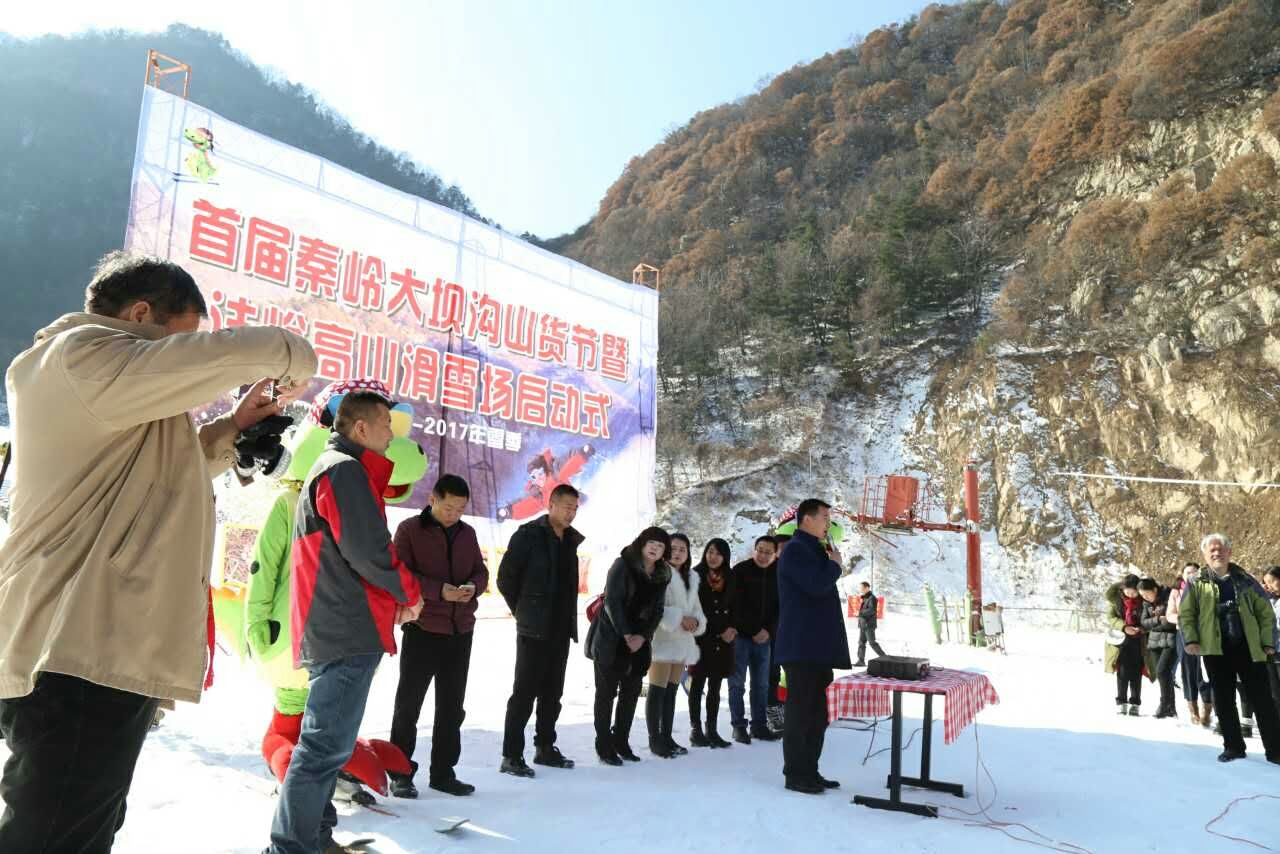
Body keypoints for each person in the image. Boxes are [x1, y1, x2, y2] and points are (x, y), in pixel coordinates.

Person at [0, 251, 317, 852]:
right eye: (179, 342)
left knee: (75, 828)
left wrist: (231, 429)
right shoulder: (79, 358)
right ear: (139, 313)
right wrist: (294, 355)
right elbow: (224, 354)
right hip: (77, 647)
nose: (181, 364)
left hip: (89, 646)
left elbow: (159, 475)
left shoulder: (109, 387)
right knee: (54, 836)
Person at [268, 390, 425, 853]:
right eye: (385, 426)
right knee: (319, 752)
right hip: (343, 628)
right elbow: (368, 552)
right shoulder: (343, 470)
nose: (390, 435)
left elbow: (350, 554)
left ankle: (313, 837)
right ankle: (290, 847)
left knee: (327, 749)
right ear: (360, 428)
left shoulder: (342, 470)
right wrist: (409, 593)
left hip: (342, 624)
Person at [388, 474, 489, 798]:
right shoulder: (409, 530)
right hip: (422, 629)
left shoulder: (467, 533)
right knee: (409, 704)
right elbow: (400, 574)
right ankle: (400, 771)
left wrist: (473, 587)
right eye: (448, 508)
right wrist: (438, 591)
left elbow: (481, 571)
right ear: (432, 500)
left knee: (451, 706)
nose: (453, 515)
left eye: (460, 509)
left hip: (461, 631)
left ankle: (443, 772)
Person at [496, 484, 584, 777]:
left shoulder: (570, 540)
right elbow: (506, 578)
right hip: (533, 628)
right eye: (566, 506)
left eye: (575, 508)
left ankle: (545, 747)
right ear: (551, 504)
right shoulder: (528, 535)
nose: (571, 513)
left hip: (560, 628)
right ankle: (511, 755)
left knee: (552, 692)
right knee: (524, 692)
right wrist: (523, 611)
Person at [1179, 533, 1279, 764]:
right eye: (1211, 550)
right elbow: (1186, 614)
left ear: (1229, 552)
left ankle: (1275, 750)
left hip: (1249, 647)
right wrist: (1191, 640)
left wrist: (1268, 642)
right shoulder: (1196, 582)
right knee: (1223, 699)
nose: (1217, 553)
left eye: (1221, 549)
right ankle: (1233, 746)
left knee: (1262, 699)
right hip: (1215, 648)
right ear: (1204, 555)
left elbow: (1265, 612)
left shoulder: (1246, 580)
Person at [776, 499, 852, 795]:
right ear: (806, 519)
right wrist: (834, 566)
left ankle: (811, 769)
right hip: (801, 645)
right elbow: (815, 584)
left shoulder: (814, 549)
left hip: (817, 646)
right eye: (824, 517)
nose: (827, 523)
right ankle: (795, 772)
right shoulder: (795, 549)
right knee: (800, 711)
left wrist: (830, 563)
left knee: (818, 712)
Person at [586, 527, 672, 765]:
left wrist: (643, 636)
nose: (655, 548)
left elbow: (658, 610)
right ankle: (603, 744)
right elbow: (612, 601)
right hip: (612, 638)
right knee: (606, 694)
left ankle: (621, 740)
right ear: (642, 543)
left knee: (631, 693)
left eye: (661, 545)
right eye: (651, 543)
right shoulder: (622, 564)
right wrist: (627, 634)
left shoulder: (663, 573)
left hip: (640, 642)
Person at [646, 533, 706, 758]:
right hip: (662, 638)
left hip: (682, 640)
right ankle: (655, 739)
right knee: (657, 689)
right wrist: (679, 617)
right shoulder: (659, 572)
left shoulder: (692, 577)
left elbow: (698, 608)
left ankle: (667, 736)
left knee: (671, 691)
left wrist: (697, 621)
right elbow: (655, 605)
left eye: (683, 549)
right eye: (674, 548)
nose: (678, 552)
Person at [729, 536, 782, 744]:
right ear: (754, 549)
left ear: (776, 553)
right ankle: (738, 726)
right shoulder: (741, 570)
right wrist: (753, 630)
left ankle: (759, 726)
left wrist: (768, 631)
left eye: (768, 552)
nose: (762, 555)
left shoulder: (780, 573)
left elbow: (782, 607)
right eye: (759, 550)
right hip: (741, 637)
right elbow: (735, 605)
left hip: (766, 639)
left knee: (761, 685)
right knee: (737, 683)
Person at [688, 539, 736, 749]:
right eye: (709, 552)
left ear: (724, 556)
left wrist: (733, 628)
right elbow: (696, 608)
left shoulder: (731, 577)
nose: (712, 557)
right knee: (697, 685)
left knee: (716, 686)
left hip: (724, 640)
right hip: (701, 638)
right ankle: (696, 730)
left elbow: (737, 606)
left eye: (717, 553)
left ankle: (712, 729)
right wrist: (720, 629)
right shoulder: (695, 575)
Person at [1169, 563, 1213, 726]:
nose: (1192, 574)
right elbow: (1170, 614)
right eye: (1188, 571)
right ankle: (1193, 709)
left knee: (1206, 671)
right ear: (1182, 574)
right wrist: (1184, 619)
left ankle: (1207, 709)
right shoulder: (1176, 592)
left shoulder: (1206, 587)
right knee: (1188, 671)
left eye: (1195, 571)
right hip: (1184, 634)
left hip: (1205, 634)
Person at [1104, 574, 1151, 715]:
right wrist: (1124, 627)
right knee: (1122, 672)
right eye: (1128, 591)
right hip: (1120, 641)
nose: (1131, 594)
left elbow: (1150, 619)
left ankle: (1135, 703)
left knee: (1137, 673)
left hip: (1139, 641)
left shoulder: (1145, 601)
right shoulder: (1116, 601)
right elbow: (1111, 618)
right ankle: (1122, 702)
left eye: (1134, 591)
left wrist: (1142, 628)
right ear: (1122, 589)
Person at [1138, 578, 1178, 718]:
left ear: (1155, 589)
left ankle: (1164, 705)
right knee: (1164, 675)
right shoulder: (1145, 603)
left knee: (1162, 672)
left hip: (1171, 639)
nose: (1145, 597)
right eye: (1142, 595)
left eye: (1147, 594)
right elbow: (1143, 622)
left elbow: (1170, 621)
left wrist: (1156, 622)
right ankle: (1171, 707)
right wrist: (1157, 620)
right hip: (1154, 642)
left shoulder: (1168, 595)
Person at [855, 581, 887, 666]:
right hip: (863, 624)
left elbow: (872, 610)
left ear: (867, 588)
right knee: (861, 643)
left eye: (862, 588)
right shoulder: (865, 598)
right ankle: (860, 661)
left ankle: (884, 658)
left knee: (872, 642)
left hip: (869, 625)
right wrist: (859, 614)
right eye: (860, 588)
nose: (860, 589)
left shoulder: (872, 598)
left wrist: (860, 613)